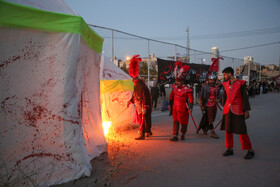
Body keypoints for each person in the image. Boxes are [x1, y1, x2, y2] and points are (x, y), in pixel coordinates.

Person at [221, 67, 255, 159]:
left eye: (224, 74)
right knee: (228, 131)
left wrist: (246, 110)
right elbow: (225, 96)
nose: (223, 76)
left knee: (242, 131)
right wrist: (223, 104)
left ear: (230, 74)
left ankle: (250, 150)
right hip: (228, 110)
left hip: (238, 110)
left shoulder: (241, 83)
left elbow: (245, 97)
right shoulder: (225, 84)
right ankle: (229, 149)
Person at [127, 55, 153, 140]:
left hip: (143, 106)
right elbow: (134, 95)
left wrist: (145, 107)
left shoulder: (141, 86)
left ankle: (142, 134)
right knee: (142, 120)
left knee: (144, 120)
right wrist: (130, 101)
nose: (133, 82)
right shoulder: (136, 86)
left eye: (133, 81)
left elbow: (145, 97)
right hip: (138, 106)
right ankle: (147, 131)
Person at [168, 77, 193, 141]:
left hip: (184, 108)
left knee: (184, 122)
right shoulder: (174, 88)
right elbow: (171, 97)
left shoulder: (187, 89)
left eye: (179, 81)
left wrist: (190, 107)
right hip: (175, 108)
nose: (177, 83)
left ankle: (183, 134)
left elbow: (190, 99)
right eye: (176, 81)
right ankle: (175, 135)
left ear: (182, 81)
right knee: (175, 121)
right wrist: (169, 104)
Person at [199, 74, 220, 139]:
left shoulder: (217, 87)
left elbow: (219, 95)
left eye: (213, 80)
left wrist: (218, 99)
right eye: (210, 80)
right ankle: (212, 132)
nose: (212, 81)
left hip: (214, 104)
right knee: (210, 118)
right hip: (207, 104)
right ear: (208, 80)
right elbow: (202, 97)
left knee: (211, 118)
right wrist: (202, 105)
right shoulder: (205, 87)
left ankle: (205, 129)